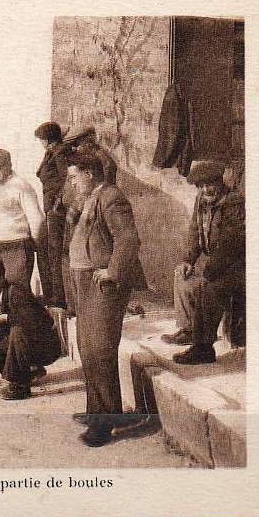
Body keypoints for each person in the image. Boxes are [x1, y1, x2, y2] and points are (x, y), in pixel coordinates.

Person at [66, 154, 147, 447]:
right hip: (85, 280)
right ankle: (96, 410)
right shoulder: (90, 197)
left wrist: (112, 271)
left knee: (100, 348)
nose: (72, 183)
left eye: (74, 177)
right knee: (87, 346)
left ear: (89, 173)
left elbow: (128, 239)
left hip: (103, 284)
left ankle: (106, 419)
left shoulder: (112, 197)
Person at [162, 160, 246, 365]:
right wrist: (188, 260)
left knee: (209, 289)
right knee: (182, 275)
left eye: (211, 184)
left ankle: (203, 348)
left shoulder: (233, 202)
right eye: (202, 185)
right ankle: (188, 330)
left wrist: (209, 272)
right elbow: (194, 233)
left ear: (220, 182)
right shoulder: (202, 200)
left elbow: (230, 244)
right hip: (216, 263)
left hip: (236, 265)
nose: (206, 189)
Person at [0, 258, 62, 400]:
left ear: (1, 279)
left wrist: (5, 317)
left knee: (18, 330)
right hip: (24, 345)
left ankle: (20, 386)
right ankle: (29, 373)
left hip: (45, 346)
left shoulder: (16, 292)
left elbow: (33, 322)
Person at [0, 148, 44, 288]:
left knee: (17, 290)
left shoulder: (21, 186)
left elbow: (36, 218)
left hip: (18, 244)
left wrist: (33, 241)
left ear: (9, 166)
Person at [34, 121, 70, 309]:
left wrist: (58, 204)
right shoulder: (51, 152)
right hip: (50, 210)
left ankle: (58, 296)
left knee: (54, 252)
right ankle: (50, 294)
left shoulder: (60, 152)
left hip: (56, 211)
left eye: (40, 138)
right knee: (44, 249)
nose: (39, 142)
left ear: (47, 139)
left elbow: (67, 179)